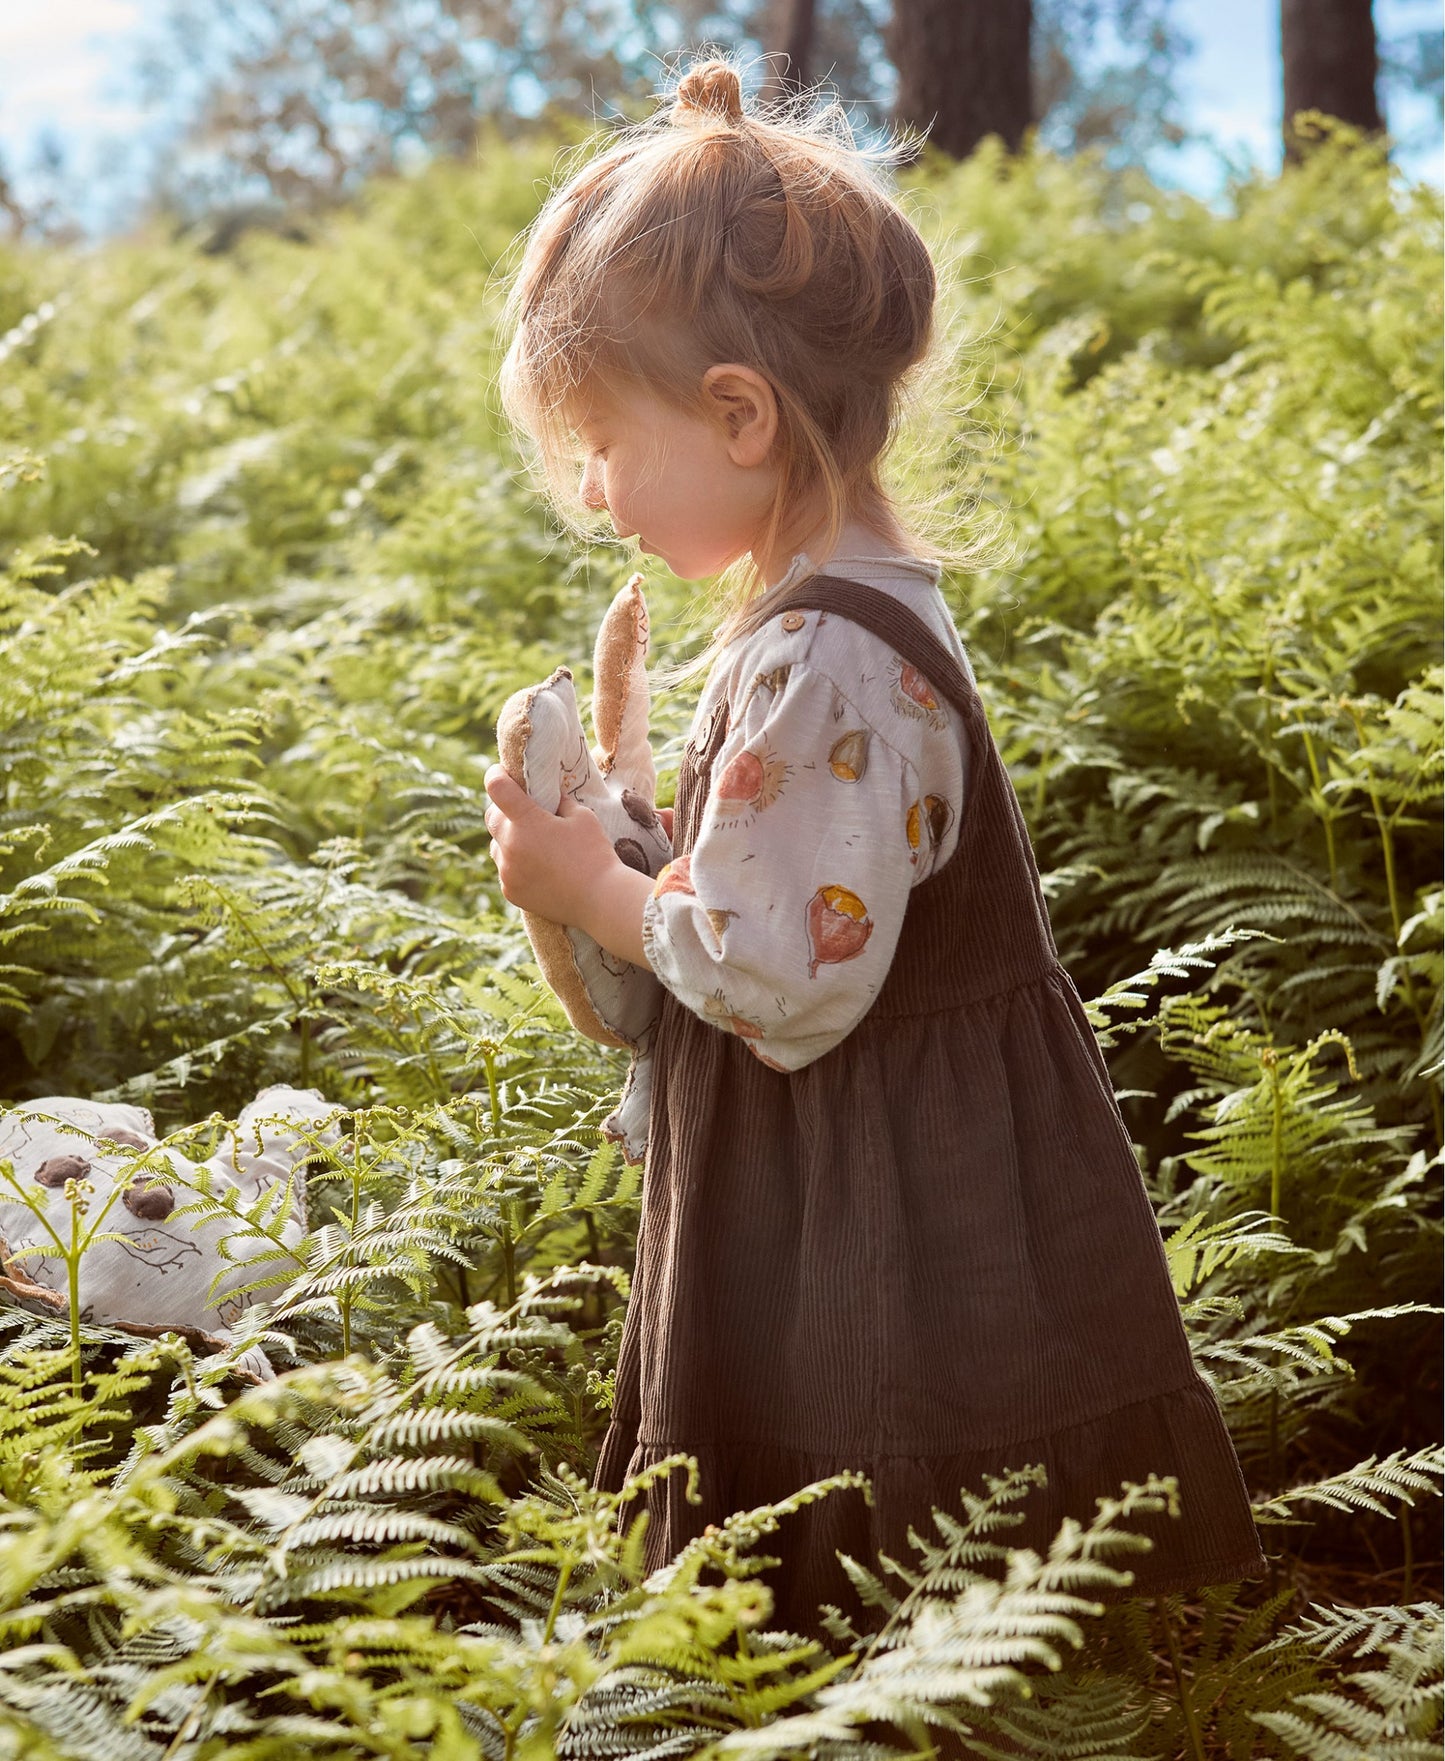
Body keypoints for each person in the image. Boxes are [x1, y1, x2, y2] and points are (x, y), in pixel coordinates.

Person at [482, 55, 1266, 1644]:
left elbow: (771, 972)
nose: (593, 495)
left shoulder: (821, 657)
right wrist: (623, 838)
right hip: (873, 1152)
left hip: (868, 1200)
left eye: (601, 447)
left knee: (877, 1537)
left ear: (738, 415)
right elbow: (776, 891)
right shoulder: (845, 620)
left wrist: (586, 887)